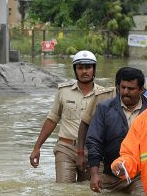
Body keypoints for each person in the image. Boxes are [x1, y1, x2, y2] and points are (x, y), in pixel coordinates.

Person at [30, 50, 111, 182]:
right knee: (64, 189)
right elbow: (52, 120)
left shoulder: (104, 95)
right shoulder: (63, 91)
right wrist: (37, 147)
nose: (84, 71)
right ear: (75, 70)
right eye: (80, 68)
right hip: (65, 148)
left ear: (94, 69)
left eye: (88, 67)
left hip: (92, 150)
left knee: (88, 191)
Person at [85, 67, 147, 196]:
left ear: (141, 90)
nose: (125, 92)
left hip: (141, 176)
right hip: (110, 174)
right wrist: (94, 174)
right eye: (122, 87)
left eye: (130, 89)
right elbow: (94, 141)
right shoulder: (104, 109)